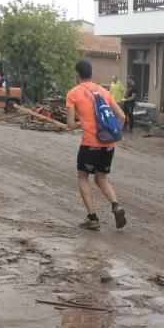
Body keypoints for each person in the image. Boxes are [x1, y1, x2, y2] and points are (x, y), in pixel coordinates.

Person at [65, 59, 127, 231]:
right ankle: (116, 205)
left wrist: (80, 124)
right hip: (109, 144)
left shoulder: (73, 93)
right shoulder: (103, 91)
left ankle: (92, 217)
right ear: (91, 74)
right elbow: (122, 116)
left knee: (83, 176)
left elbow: (70, 124)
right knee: (101, 178)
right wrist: (113, 136)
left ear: (77, 75)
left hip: (90, 143)